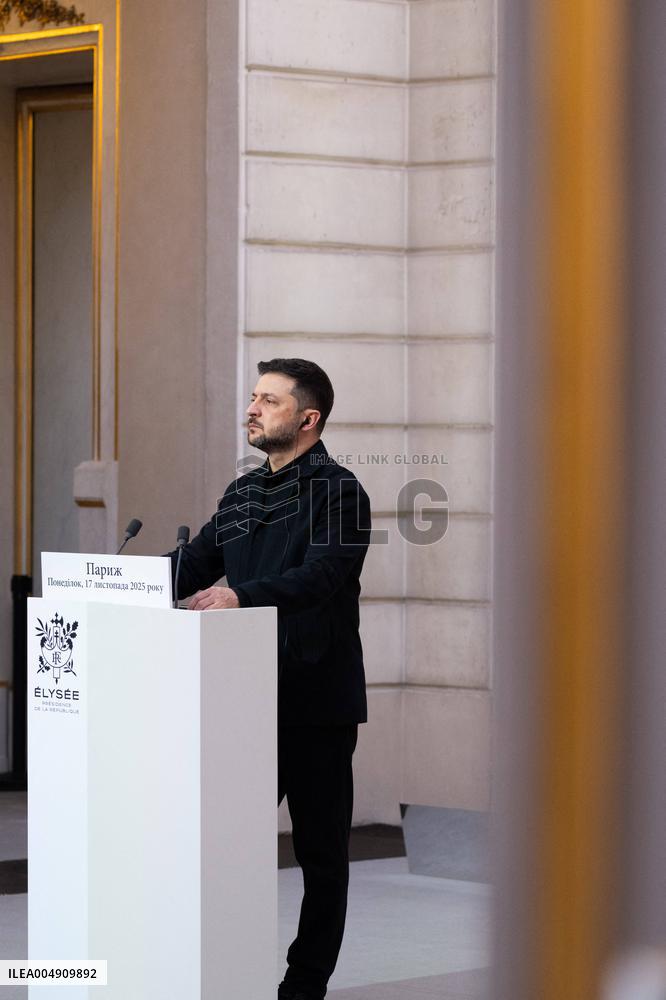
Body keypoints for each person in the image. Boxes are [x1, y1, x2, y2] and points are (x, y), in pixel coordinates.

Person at [167, 358, 371, 1000]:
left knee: (320, 856)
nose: (252, 409)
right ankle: (216, 967)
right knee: (222, 847)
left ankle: (304, 985)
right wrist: (116, 584)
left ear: (308, 419)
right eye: (253, 397)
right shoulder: (243, 493)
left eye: (270, 401)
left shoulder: (342, 494)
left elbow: (320, 579)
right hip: (242, 703)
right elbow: (192, 564)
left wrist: (238, 597)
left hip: (314, 704)